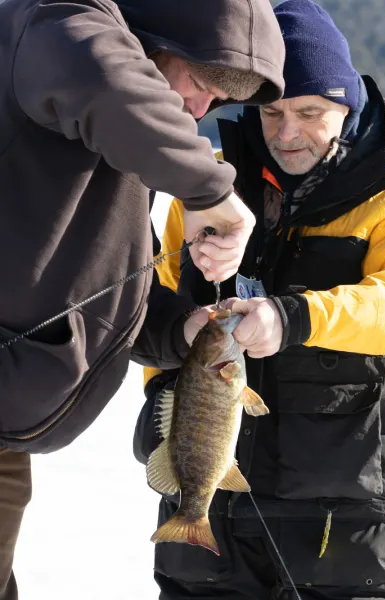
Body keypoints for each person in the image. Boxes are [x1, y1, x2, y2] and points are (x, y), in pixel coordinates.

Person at [133, 1, 385, 598]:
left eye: (310, 113)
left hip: (349, 514)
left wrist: (295, 317)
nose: (286, 133)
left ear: (348, 104)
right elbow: (162, 309)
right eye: (272, 112)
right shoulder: (209, 192)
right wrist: (163, 404)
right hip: (212, 504)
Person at [0, 0, 286, 598]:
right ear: (154, 37)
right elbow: (97, 70)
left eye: (218, 101)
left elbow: (122, 279)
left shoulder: (130, 143)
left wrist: (178, 333)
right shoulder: (57, 22)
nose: (200, 112)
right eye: (201, 83)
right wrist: (208, 189)